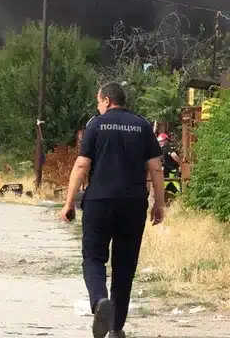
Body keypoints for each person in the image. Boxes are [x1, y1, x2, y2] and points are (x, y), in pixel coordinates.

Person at [60, 82, 166, 338]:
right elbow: (156, 168)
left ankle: (99, 302)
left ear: (107, 100)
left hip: (99, 202)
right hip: (133, 204)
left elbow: (82, 166)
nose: (98, 106)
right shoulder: (141, 125)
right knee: (125, 267)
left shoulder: (96, 124)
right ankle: (116, 328)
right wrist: (159, 204)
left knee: (94, 258)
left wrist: (68, 202)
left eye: (98, 101)